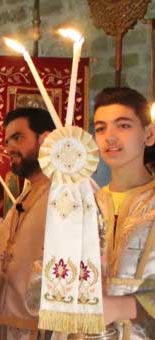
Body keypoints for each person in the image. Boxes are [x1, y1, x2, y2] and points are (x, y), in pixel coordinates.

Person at [0, 107, 55, 339]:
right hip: (4, 324)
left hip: (39, 327)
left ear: (45, 139)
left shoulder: (64, 195)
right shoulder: (24, 195)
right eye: (7, 141)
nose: (9, 148)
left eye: (18, 137)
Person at [92, 87, 155, 338]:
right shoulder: (83, 206)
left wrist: (125, 306)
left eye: (124, 126)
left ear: (149, 134)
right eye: (100, 128)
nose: (110, 137)